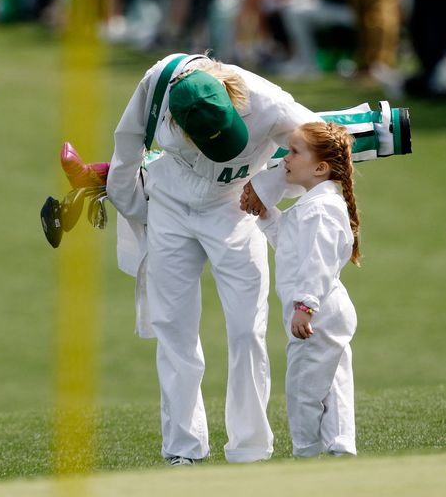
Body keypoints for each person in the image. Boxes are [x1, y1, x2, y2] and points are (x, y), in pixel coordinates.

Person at [106, 52, 321, 466]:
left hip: (236, 206)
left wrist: (268, 185)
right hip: (169, 203)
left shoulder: (270, 103)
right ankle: (182, 449)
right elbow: (128, 141)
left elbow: (315, 150)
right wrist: (139, 209)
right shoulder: (158, 86)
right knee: (173, 328)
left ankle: (250, 448)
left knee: (246, 329)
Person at [253, 121, 360, 458]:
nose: (286, 158)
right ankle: (340, 445)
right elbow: (289, 245)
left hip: (318, 312)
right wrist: (265, 214)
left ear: (320, 167)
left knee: (303, 386)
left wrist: (305, 305)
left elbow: (319, 261)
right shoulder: (314, 206)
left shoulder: (320, 209)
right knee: (332, 381)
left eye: (295, 152)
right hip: (326, 310)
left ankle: (307, 451)